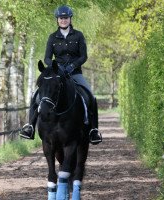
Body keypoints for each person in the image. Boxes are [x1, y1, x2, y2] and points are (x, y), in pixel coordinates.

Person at [20, 5, 102, 145]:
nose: (63, 20)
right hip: (57, 73)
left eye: (65, 18)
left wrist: (71, 66)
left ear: (70, 19)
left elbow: (83, 56)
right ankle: (30, 126)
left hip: (74, 73)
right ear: (57, 20)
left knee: (90, 95)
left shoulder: (78, 35)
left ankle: (93, 130)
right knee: (36, 95)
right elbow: (47, 58)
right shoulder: (52, 37)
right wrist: (53, 66)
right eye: (60, 18)